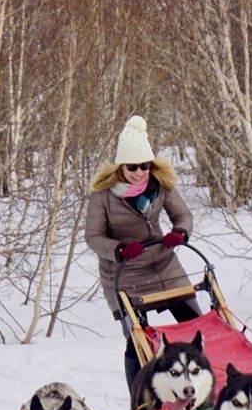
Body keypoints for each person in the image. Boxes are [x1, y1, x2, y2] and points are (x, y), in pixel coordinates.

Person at [84, 114, 202, 395]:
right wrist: (119, 249)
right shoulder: (103, 196)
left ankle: (207, 386)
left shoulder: (160, 187)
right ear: (121, 166)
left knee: (195, 326)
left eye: (144, 166)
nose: (139, 172)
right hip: (125, 271)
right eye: (132, 167)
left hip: (163, 262)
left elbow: (183, 214)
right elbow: (93, 237)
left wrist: (180, 233)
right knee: (138, 339)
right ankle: (141, 399)